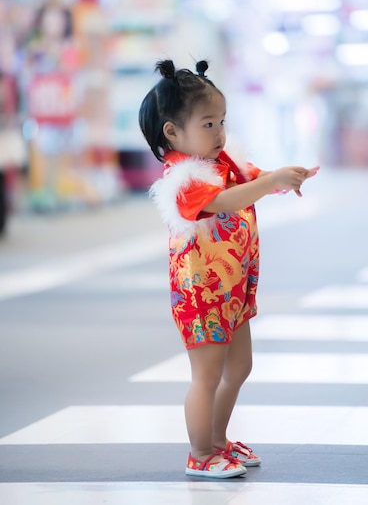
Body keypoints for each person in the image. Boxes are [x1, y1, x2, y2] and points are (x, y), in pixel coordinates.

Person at [138, 59, 319, 479]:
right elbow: (225, 201)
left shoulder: (225, 166)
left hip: (234, 290)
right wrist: (271, 181)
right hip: (201, 295)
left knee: (239, 367)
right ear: (173, 132)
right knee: (206, 374)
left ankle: (218, 442)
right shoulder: (183, 180)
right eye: (207, 124)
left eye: (222, 121)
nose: (220, 132)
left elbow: (252, 180)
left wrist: (283, 176)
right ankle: (200, 453)